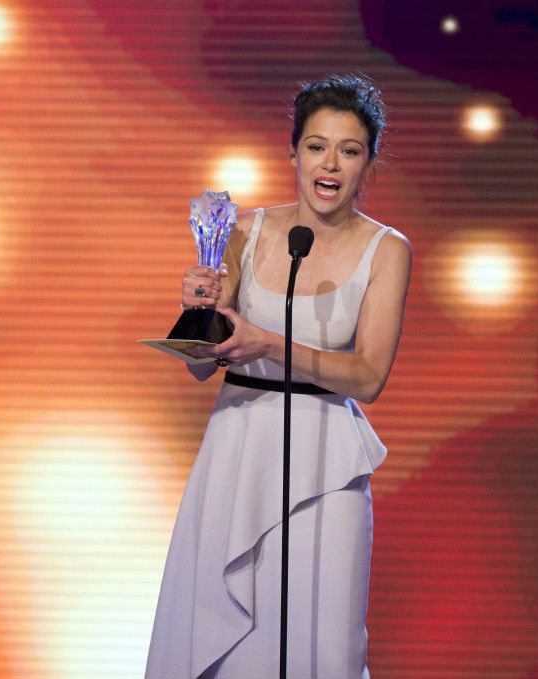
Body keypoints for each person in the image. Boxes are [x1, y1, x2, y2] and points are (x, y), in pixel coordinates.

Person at [145, 74, 411, 678]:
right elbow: (198, 367)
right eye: (317, 146)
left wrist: (270, 343)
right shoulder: (246, 232)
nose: (330, 164)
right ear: (293, 152)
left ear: (368, 162)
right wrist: (197, 309)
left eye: (350, 150)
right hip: (239, 450)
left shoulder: (387, 249)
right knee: (228, 638)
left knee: (325, 642)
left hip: (328, 463)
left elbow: (368, 377)